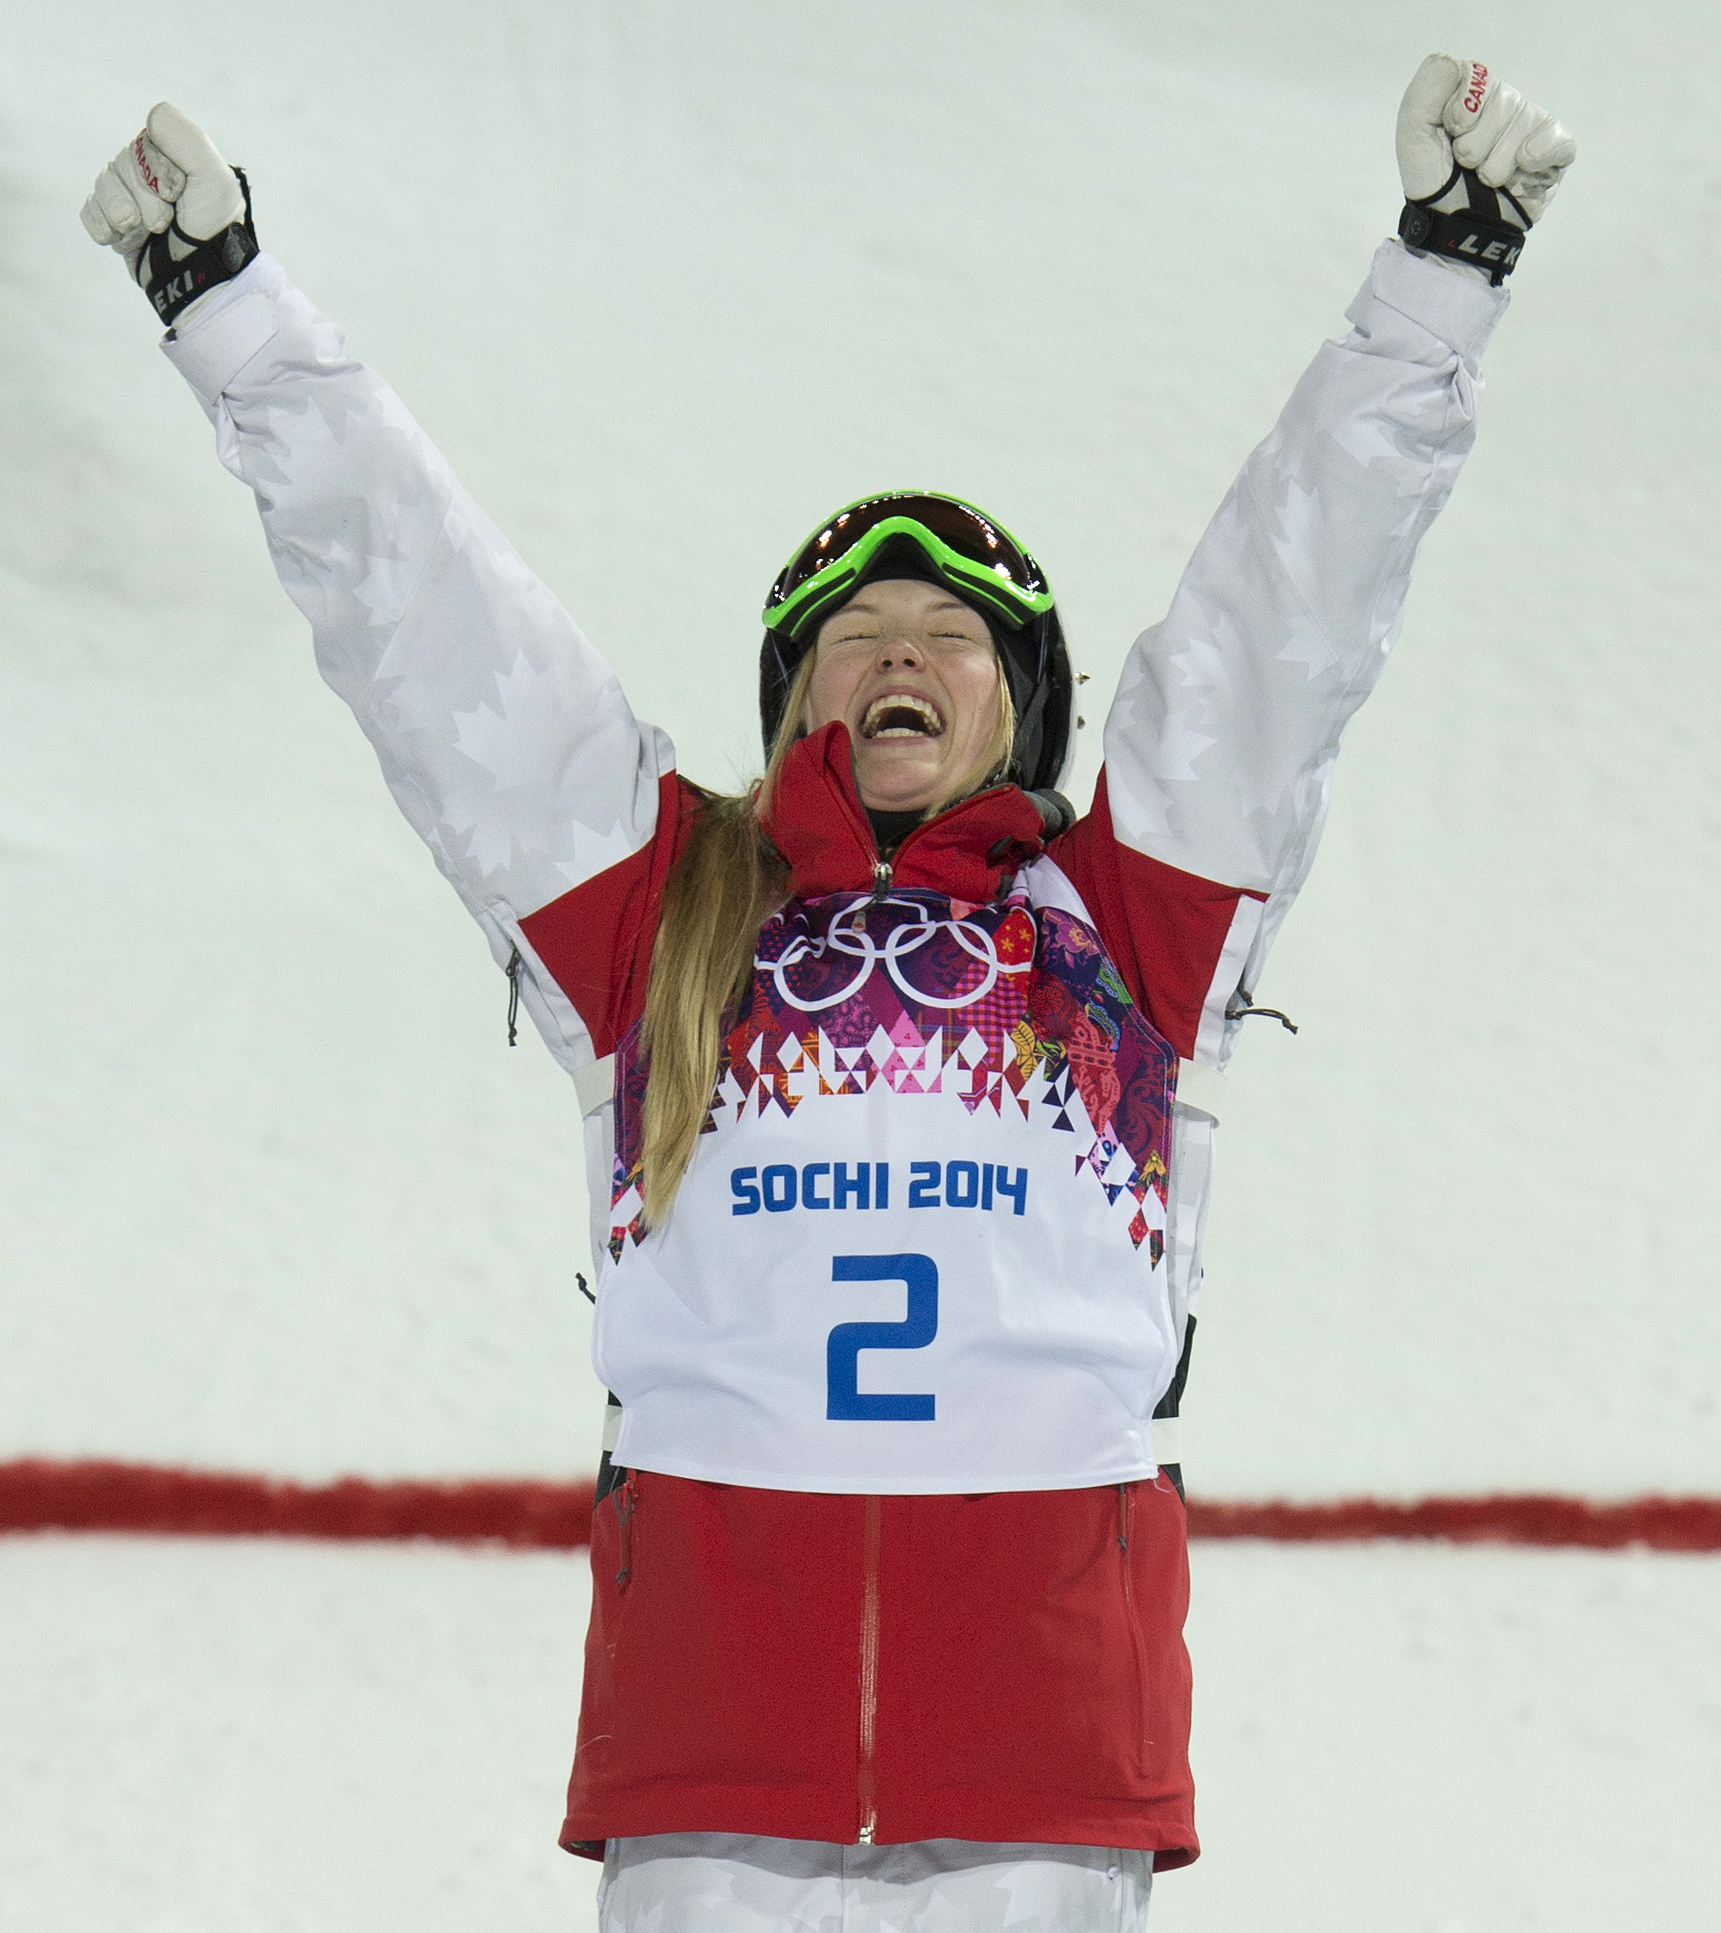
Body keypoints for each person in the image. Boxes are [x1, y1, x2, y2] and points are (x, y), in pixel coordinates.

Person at [81, 53, 1574, 1932]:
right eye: (854, 639)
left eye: (948, 636)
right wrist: (232, 315)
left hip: (1039, 1759)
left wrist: (1439, 275)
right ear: (794, 699)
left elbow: (1288, 612)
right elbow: (436, 630)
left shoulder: (1130, 925)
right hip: (714, 1761)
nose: (899, 653)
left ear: (1015, 704)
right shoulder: (656, 915)